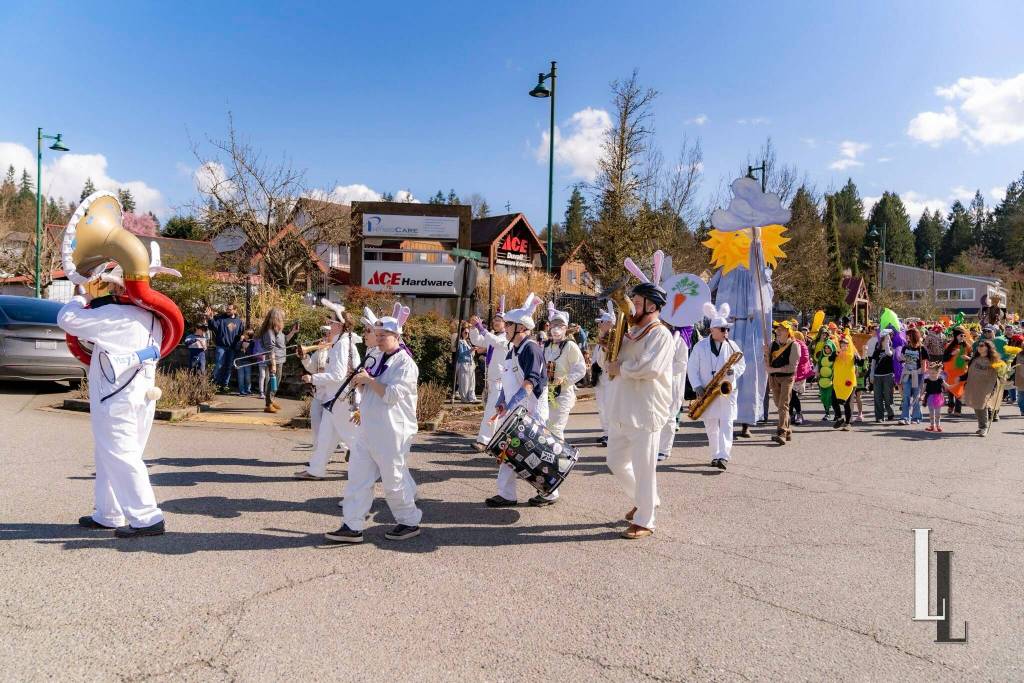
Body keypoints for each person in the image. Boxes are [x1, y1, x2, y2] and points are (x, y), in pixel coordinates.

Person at [325, 303, 422, 543]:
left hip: (392, 431)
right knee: (357, 479)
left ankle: (409, 521)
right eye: (376, 335)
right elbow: (370, 386)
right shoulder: (377, 356)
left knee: (394, 481)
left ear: (396, 336)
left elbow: (390, 395)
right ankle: (352, 524)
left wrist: (368, 380)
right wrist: (361, 383)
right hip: (368, 429)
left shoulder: (406, 364)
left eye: (382, 336)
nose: (377, 340)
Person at [605, 259, 675, 540]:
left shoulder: (661, 334)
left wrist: (620, 368)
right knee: (615, 461)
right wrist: (606, 344)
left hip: (647, 409)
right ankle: (647, 500)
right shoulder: (630, 332)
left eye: (636, 301)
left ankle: (646, 519)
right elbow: (611, 363)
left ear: (652, 306)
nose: (631, 305)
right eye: (631, 300)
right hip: (623, 407)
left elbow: (650, 368)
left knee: (645, 467)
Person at [485, 293, 547, 508]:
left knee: (536, 454)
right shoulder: (513, 349)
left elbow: (530, 383)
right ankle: (506, 494)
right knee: (507, 452)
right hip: (515, 410)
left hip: (531, 410)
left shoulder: (531, 348)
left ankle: (549, 493)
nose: (505, 328)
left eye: (509, 325)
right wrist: (503, 400)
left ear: (520, 328)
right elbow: (507, 377)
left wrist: (513, 406)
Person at [296, 300, 361, 480]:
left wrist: (313, 378)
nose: (329, 324)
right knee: (326, 435)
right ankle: (316, 469)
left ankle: (371, 470)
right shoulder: (341, 342)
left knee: (353, 439)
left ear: (339, 325)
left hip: (342, 398)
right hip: (337, 397)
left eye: (332, 322)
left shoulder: (341, 344)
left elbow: (339, 374)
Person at [687, 302, 746, 470]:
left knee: (727, 423)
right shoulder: (700, 346)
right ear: (713, 330)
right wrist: (697, 386)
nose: (726, 332)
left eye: (727, 329)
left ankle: (723, 456)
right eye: (723, 329)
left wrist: (733, 371)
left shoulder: (733, 345)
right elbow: (692, 367)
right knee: (711, 424)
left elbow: (742, 364)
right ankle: (715, 454)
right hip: (707, 391)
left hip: (727, 390)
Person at [468, 300, 510, 451]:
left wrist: (481, 328)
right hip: (491, 380)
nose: (496, 322)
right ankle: (497, 441)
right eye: (495, 320)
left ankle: (483, 441)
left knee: (491, 411)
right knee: (497, 412)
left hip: (501, 380)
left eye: (499, 320)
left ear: (506, 324)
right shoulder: (493, 336)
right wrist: (474, 328)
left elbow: (495, 341)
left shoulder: (506, 339)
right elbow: (477, 340)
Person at [657, 324, 690, 461]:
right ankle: (656, 446)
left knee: (669, 416)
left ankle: (665, 449)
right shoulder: (659, 338)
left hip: (673, 383)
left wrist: (665, 370)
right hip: (658, 382)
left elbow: (682, 363)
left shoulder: (680, 340)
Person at [258, 308, 298, 414]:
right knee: (273, 381)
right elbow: (270, 349)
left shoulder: (277, 330)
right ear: (276, 318)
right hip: (274, 360)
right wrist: (274, 365)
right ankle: (268, 404)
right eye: (281, 317)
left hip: (280, 359)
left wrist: (293, 332)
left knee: (276, 381)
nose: (283, 319)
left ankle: (271, 399)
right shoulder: (269, 332)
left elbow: (284, 341)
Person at [962, 340, 1003, 437]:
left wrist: (1005, 376)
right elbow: (969, 373)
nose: (979, 347)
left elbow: (1001, 372)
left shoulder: (994, 360)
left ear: (988, 348)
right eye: (978, 346)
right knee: (977, 406)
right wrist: (960, 378)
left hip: (988, 387)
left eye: (982, 345)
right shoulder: (974, 359)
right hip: (975, 386)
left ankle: (984, 428)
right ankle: (981, 426)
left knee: (982, 404)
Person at [767, 322, 799, 445]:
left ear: (788, 332)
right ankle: (788, 430)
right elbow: (767, 362)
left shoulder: (794, 346)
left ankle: (781, 432)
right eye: (777, 329)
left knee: (783, 405)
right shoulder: (772, 345)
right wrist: (765, 355)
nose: (778, 332)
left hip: (787, 378)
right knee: (778, 403)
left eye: (781, 329)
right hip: (774, 378)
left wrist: (775, 370)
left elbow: (792, 367)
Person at [591, 306, 615, 447]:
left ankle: (611, 434)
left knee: (609, 405)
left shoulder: (614, 339)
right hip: (600, 378)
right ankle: (606, 433)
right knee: (601, 407)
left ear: (609, 323)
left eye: (602, 322)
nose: (599, 324)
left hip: (609, 378)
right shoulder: (601, 339)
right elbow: (597, 358)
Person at [205, 303, 243, 392]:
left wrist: (241, 341)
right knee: (219, 365)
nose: (227, 310)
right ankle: (213, 384)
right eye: (227, 309)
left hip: (232, 348)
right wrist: (210, 318)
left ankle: (225, 385)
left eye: (230, 309)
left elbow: (241, 333)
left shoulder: (239, 321)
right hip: (221, 346)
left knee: (229, 366)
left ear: (235, 310)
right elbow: (212, 326)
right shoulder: (221, 318)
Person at [897, 327, 929, 425]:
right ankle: (905, 417)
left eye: (909, 335)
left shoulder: (922, 348)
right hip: (907, 374)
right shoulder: (905, 347)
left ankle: (916, 417)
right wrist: (899, 356)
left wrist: (918, 374)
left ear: (914, 336)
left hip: (917, 376)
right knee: (906, 396)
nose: (907, 337)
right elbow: (901, 360)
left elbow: (924, 367)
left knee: (916, 397)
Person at [942, 326, 972, 415]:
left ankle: (958, 409)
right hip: (950, 371)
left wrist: (968, 358)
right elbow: (944, 358)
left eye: (964, 336)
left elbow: (972, 358)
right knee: (950, 389)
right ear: (956, 336)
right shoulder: (949, 345)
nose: (963, 337)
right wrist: (952, 354)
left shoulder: (967, 346)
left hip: (962, 371)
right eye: (961, 336)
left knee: (960, 389)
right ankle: (951, 404)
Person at [831, 335, 858, 431]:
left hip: (849, 383)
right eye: (842, 344)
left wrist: (863, 353)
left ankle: (848, 422)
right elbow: (830, 359)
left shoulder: (853, 355)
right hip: (837, 382)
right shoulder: (836, 354)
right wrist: (835, 354)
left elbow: (861, 362)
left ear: (848, 345)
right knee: (834, 401)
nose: (843, 346)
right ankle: (839, 418)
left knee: (847, 403)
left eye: (845, 344)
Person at [872, 329, 896, 422]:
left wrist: (887, 342)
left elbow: (889, 353)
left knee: (888, 396)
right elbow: (873, 363)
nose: (886, 339)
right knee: (877, 397)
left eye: (888, 338)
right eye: (884, 338)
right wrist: (871, 374)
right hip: (877, 376)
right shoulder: (877, 350)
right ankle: (879, 416)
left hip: (888, 375)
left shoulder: (891, 349)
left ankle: (890, 414)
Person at [789, 330, 812, 426]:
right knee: (789, 396)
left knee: (793, 395)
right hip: (791, 373)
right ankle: (791, 415)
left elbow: (803, 359)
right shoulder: (790, 344)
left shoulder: (801, 345)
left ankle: (798, 414)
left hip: (798, 375)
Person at [922, 363, 949, 432]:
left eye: (933, 373)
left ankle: (938, 425)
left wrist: (954, 386)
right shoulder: (927, 380)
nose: (931, 375)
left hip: (938, 397)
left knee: (938, 413)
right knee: (931, 413)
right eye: (930, 373)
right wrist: (920, 395)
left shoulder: (940, 379)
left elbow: (947, 386)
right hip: (929, 397)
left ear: (938, 372)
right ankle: (932, 425)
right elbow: (923, 389)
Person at [454, 325, 478, 403]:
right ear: (461, 332)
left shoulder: (468, 342)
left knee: (471, 382)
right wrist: (470, 350)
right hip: (463, 363)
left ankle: (472, 398)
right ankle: (464, 398)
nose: (467, 334)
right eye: (465, 332)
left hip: (470, 364)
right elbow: (460, 354)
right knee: (464, 382)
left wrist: (473, 350)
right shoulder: (460, 342)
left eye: (468, 333)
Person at [235, 328, 254, 395]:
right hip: (240, 361)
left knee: (248, 377)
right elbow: (236, 348)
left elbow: (252, 352)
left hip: (248, 361)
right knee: (241, 377)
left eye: (245, 334)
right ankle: (241, 391)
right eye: (244, 333)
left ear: (249, 335)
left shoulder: (252, 342)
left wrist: (246, 350)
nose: (243, 335)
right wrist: (240, 341)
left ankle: (248, 390)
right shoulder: (241, 341)